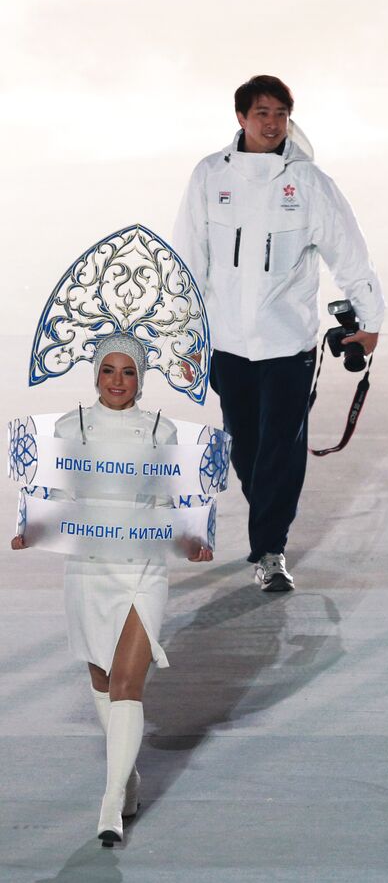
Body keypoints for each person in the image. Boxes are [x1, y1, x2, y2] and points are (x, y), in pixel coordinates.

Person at [173, 74, 385, 593]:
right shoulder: (209, 176)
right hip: (226, 342)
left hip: (289, 343)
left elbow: (350, 254)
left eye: (281, 114)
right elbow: (187, 259)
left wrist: (371, 321)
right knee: (246, 446)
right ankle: (266, 520)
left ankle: (269, 549)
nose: (272, 123)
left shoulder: (309, 184)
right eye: (262, 113)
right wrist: (184, 337)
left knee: (281, 449)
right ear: (241, 118)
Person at [11, 334, 213, 845]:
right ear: (95, 373)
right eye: (108, 370)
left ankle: (109, 805)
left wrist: (192, 540)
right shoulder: (67, 426)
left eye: (127, 372)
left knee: (128, 683)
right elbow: (53, 493)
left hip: (144, 569)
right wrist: (30, 528)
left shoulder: (161, 430)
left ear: (141, 378)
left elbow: (177, 498)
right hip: (88, 568)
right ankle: (128, 781)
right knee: (102, 681)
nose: (117, 381)